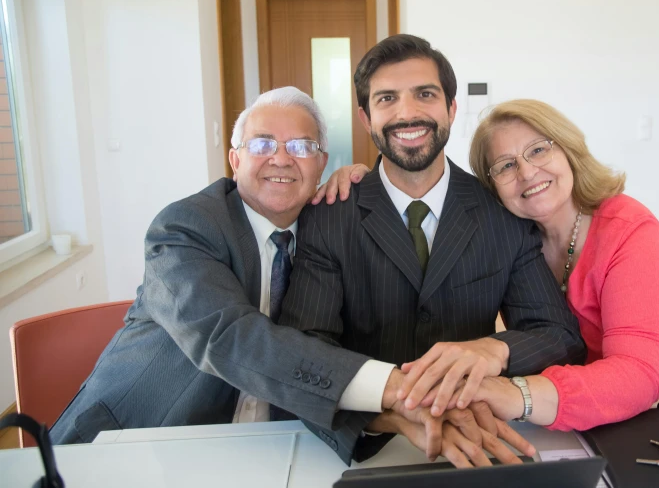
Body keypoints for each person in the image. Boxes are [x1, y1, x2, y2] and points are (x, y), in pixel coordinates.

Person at [49, 87, 522, 468]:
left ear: (322, 164)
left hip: (286, 444)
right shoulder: (186, 227)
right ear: (235, 160)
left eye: (301, 147)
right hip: (141, 444)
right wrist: (399, 391)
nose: (281, 159)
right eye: (261, 145)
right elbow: (231, 338)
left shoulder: (329, 227)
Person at [321, 98, 659, 432]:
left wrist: (515, 394)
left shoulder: (630, 233)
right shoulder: (515, 233)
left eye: (538, 150)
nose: (527, 172)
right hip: (601, 411)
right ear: (493, 188)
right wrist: (370, 179)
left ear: (569, 151)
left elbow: (637, 376)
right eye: (506, 166)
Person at [278, 35, 585, 463]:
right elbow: (303, 351)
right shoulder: (330, 217)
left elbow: (560, 336)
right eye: (387, 98)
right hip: (367, 443)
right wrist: (389, 413)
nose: (407, 113)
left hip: (483, 434)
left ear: (451, 109)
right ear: (366, 118)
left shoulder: (502, 212)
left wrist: (493, 349)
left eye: (425, 94)